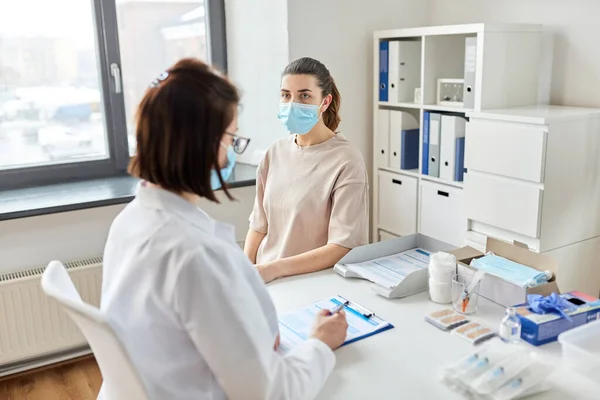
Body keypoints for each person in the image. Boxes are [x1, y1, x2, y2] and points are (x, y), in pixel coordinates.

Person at [99, 58, 348, 400]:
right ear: (202, 143)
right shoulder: (195, 254)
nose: (233, 149)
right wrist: (320, 343)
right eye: (232, 137)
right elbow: (272, 392)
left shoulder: (131, 219)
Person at [244, 57, 369, 283]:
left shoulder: (346, 160)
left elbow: (343, 245)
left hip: (309, 282)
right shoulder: (275, 153)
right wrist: (245, 271)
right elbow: (259, 226)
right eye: (286, 95)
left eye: (304, 95)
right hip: (265, 280)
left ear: (325, 101)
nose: (292, 103)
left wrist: (272, 269)